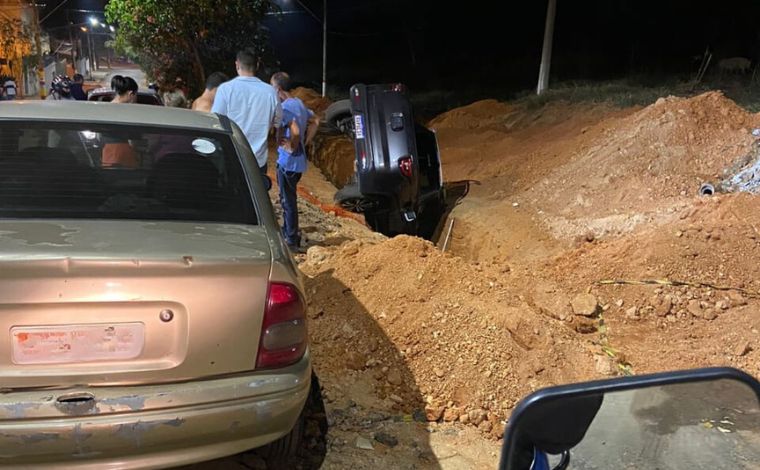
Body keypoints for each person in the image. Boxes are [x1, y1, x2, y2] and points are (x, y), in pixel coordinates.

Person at [212, 48, 281, 190]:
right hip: (258, 160)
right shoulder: (270, 92)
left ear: (237, 64)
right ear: (257, 65)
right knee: (254, 201)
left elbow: (216, 121)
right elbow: (278, 121)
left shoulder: (226, 89)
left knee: (230, 196)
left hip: (231, 156)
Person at [270, 71, 320, 250]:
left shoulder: (286, 108)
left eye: (272, 88)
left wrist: (292, 144)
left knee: (288, 201)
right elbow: (316, 120)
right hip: (298, 163)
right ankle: (289, 232)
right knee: (288, 198)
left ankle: (290, 240)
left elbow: (296, 130)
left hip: (288, 162)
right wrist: (307, 142)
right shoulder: (298, 103)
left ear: (279, 89)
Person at [102, 75, 140, 168]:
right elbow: (134, 140)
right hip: (124, 152)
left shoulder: (104, 109)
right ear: (131, 94)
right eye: (136, 95)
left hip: (107, 153)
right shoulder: (129, 112)